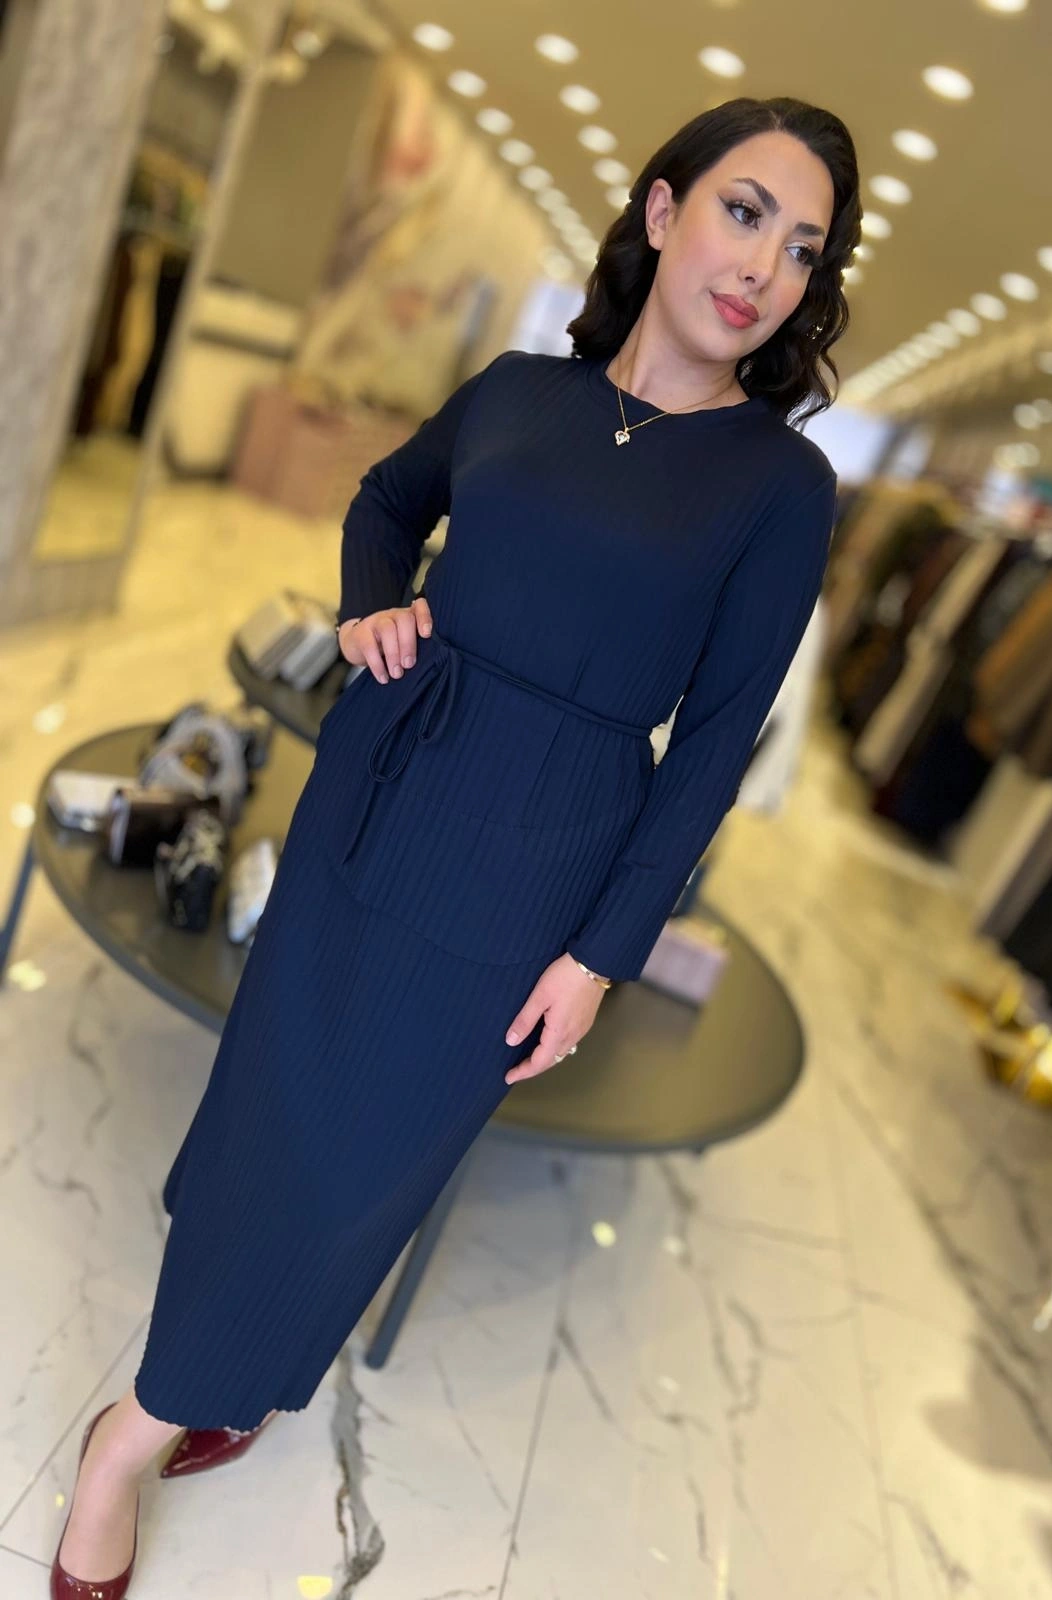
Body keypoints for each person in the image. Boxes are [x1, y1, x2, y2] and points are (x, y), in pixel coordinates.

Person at [49, 93, 860, 1596]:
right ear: (664, 209)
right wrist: (373, 597)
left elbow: (715, 746)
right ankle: (204, 1378)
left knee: (370, 1158)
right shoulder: (516, 392)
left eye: (805, 247)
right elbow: (385, 499)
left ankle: (129, 1436)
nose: (767, 265)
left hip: (538, 856)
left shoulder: (779, 487)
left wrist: (602, 958)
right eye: (744, 212)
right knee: (271, 1101)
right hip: (383, 777)